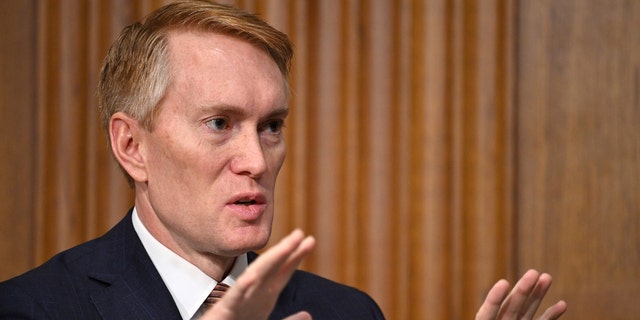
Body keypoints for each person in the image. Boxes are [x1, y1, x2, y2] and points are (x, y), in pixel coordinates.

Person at [0, 1, 567, 319]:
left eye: (271, 127)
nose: (255, 160)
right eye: (219, 124)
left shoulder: (347, 315)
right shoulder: (32, 309)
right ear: (132, 146)